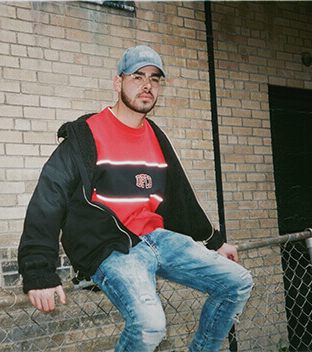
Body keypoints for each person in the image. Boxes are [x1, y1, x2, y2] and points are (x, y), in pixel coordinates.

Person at [18, 45, 253, 352]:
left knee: (238, 283)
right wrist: (39, 272)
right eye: (138, 76)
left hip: (157, 239)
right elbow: (48, 199)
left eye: (155, 79)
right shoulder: (86, 135)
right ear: (118, 83)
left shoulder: (156, 136)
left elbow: (181, 198)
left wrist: (215, 241)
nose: (147, 85)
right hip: (112, 247)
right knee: (150, 324)